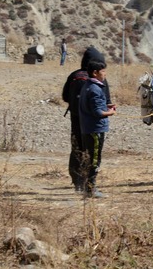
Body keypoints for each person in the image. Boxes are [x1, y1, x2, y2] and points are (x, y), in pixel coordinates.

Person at [61, 46, 112, 193]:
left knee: (77, 147)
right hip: (94, 122)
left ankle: (77, 182)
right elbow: (106, 100)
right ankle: (89, 185)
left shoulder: (74, 75)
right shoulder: (98, 80)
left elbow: (65, 97)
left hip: (76, 118)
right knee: (93, 151)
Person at [79, 60, 116, 198]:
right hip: (95, 129)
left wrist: (106, 106)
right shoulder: (95, 89)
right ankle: (90, 189)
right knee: (95, 159)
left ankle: (88, 188)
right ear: (95, 73)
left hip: (88, 128)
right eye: (103, 71)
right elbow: (97, 113)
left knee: (91, 158)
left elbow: (95, 107)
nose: (105, 74)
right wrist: (110, 112)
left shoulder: (88, 86)